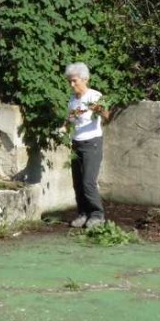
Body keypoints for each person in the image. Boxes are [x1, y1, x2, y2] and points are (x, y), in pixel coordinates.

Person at [63, 62, 108, 229]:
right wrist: (64, 127)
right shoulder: (72, 101)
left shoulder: (94, 95)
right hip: (76, 143)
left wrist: (98, 109)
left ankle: (97, 215)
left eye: (74, 81)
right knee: (78, 182)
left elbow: (106, 115)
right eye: (69, 81)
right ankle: (83, 213)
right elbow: (70, 121)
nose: (72, 84)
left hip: (92, 143)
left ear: (85, 79)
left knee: (88, 181)